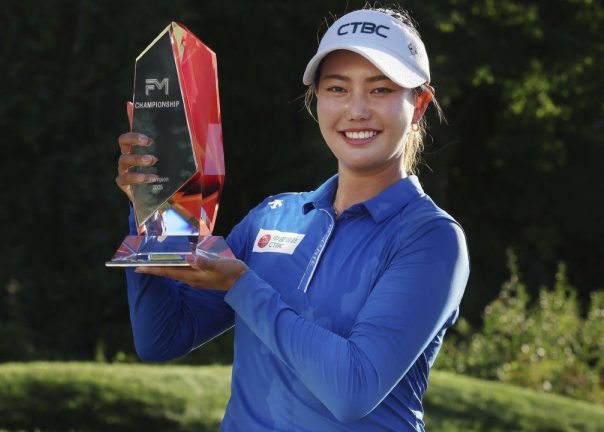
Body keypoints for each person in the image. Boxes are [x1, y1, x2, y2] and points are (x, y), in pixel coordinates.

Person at [115, 7, 469, 431]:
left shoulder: (432, 238)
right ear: (315, 99)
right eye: (337, 88)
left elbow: (351, 389)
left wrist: (242, 285)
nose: (356, 110)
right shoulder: (273, 217)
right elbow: (162, 338)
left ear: (420, 104)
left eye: (380, 90)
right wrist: (152, 207)